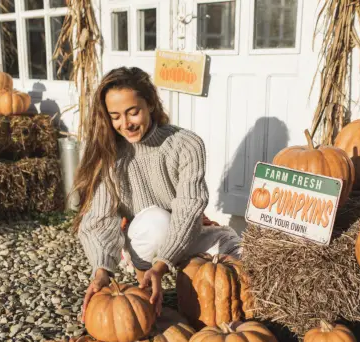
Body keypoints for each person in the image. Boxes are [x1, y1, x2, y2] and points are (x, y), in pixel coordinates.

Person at [73, 67, 242, 320]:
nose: (125, 124)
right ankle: (145, 284)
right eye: (115, 116)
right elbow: (99, 220)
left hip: (187, 231)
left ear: (150, 104)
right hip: (146, 237)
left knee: (242, 258)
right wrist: (102, 270)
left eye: (133, 112)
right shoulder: (110, 156)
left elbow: (188, 207)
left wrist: (163, 264)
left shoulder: (186, 144)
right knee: (156, 221)